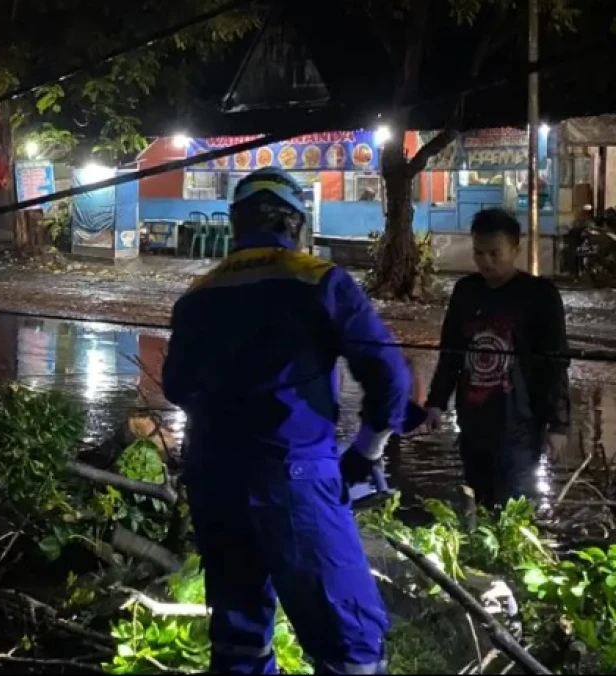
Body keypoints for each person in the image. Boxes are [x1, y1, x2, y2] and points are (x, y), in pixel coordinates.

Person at [162, 167, 410, 675]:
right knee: (351, 645)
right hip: (295, 482)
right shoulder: (321, 281)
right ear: (296, 224)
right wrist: (366, 451)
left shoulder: (197, 295)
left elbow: (177, 388)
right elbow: (390, 377)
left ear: (234, 225)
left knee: (240, 643)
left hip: (215, 485)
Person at [425, 208, 570, 508]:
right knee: (477, 502)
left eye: (495, 253)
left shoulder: (540, 295)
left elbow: (556, 362)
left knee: (514, 507)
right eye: (479, 253)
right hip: (473, 422)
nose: (486, 262)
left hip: (520, 425)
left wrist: (558, 425)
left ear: (515, 249)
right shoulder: (465, 292)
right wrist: (436, 402)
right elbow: (450, 351)